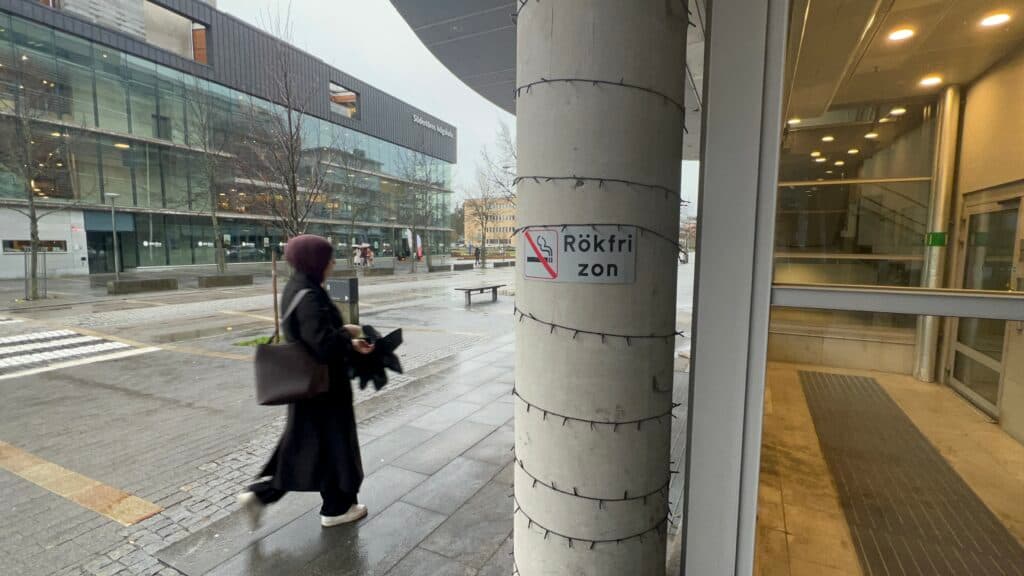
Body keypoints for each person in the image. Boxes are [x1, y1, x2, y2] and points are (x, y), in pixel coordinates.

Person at [238, 234, 374, 528]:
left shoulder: (299, 287)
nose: (333, 263)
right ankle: (335, 509)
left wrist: (345, 331)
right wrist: (349, 338)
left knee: (306, 449)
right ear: (315, 261)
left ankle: (264, 496)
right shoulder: (309, 294)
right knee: (327, 448)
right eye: (329, 257)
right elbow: (322, 344)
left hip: (312, 389)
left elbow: (315, 334)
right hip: (324, 389)